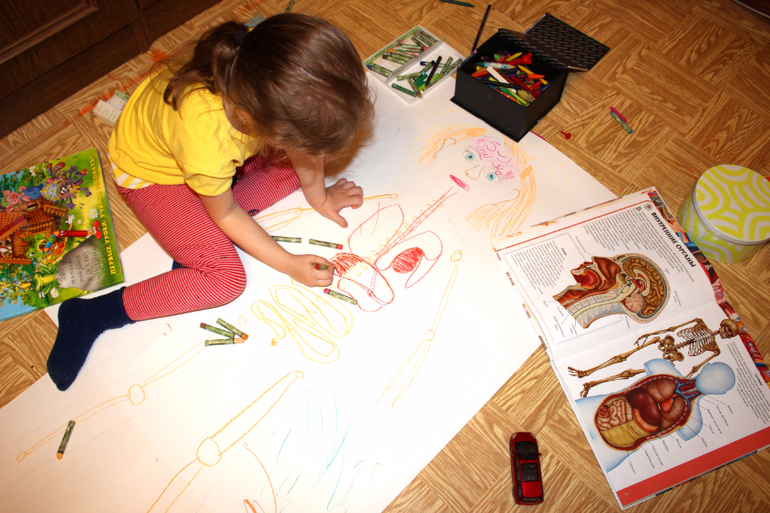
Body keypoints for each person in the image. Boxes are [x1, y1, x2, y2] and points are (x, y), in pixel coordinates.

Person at [46, 14, 374, 391]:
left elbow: (306, 153)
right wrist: (288, 264)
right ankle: (92, 314)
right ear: (253, 118)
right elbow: (228, 211)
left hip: (210, 160)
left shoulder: (263, 64)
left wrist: (321, 197)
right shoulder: (208, 138)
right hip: (152, 176)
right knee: (224, 280)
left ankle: (197, 233)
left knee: (313, 154)